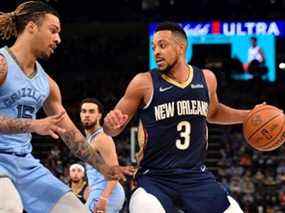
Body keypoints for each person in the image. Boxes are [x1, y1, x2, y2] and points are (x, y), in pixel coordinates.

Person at [103, 22, 253, 213]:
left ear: (181, 47)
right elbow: (113, 129)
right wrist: (110, 125)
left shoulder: (206, 78)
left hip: (196, 177)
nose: (156, 51)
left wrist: (249, 115)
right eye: (154, 47)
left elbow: (213, 113)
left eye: (162, 45)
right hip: (155, 178)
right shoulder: (143, 83)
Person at [0, 1, 132, 212]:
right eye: (53, 31)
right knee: (9, 207)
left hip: (24, 164)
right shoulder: (2, 64)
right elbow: (35, 125)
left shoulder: (47, 85)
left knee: (75, 209)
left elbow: (71, 135)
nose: (58, 39)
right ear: (32, 27)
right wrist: (33, 125)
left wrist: (105, 169)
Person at [80, 98, 125, 213]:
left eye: (91, 111)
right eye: (84, 111)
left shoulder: (102, 138)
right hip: (99, 191)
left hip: (108, 193)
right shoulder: (90, 138)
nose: (87, 115)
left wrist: (104, 198)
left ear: (99, 115)